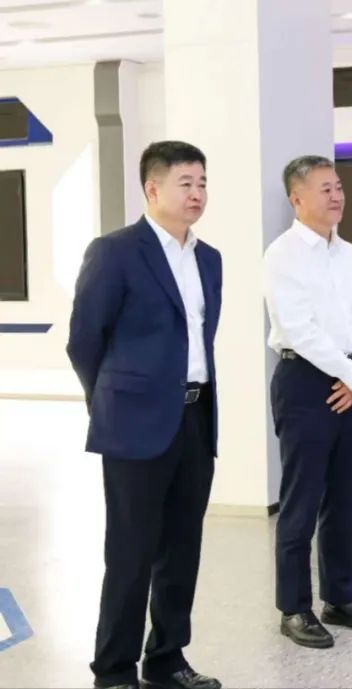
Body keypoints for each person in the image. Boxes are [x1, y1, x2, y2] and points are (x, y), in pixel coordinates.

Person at [67, 141, 222, 689]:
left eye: (202, 183)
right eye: (186, 183)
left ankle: (166, 659)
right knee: (131, 553)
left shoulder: (208, 258)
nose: (197, 193)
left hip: (196, 418)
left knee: (182, 548)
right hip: (135, 424)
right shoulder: (115, 252)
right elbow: (84, 340)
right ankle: (114, 671)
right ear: (152, 189)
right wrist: (112, 401)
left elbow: (200, 338)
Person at [263, 155, 352, 648]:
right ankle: (294, 608)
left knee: (344, 497)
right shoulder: (283, 254)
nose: (337, 196)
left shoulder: (350, 253)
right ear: (297, 198)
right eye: (325, 189)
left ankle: (340, 597)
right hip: (305, 382)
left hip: (351, 383)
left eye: (338, 187)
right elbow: (299, 329)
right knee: (302, 500)